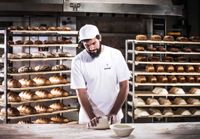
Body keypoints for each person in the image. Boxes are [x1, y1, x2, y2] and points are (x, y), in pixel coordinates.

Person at [70, 24, 130, 127]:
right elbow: (81, 92)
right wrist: (91, 116)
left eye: (94, 43)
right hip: (88, 119)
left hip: (113, 117)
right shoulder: (77, 61)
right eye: (87, 45)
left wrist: (114, 112)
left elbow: (124, 85)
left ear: (99, 38)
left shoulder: (115, 55)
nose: (91, 48)